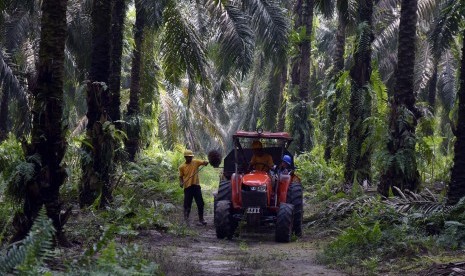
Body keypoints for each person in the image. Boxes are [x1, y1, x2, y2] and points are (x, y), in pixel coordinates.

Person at [179, 149, 208, 226]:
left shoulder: (195, 162)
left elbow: (204, 162)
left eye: (191, 157)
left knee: (200, 203)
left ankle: (201, 220)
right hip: (187, 187)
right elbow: (181, 177)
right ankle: (186, 220)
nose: (190, 158)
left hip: (196, 186)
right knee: (187, 204)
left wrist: (205, 162)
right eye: (188, 157)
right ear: (185, 157)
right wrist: (181, 183)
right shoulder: (182, 167)